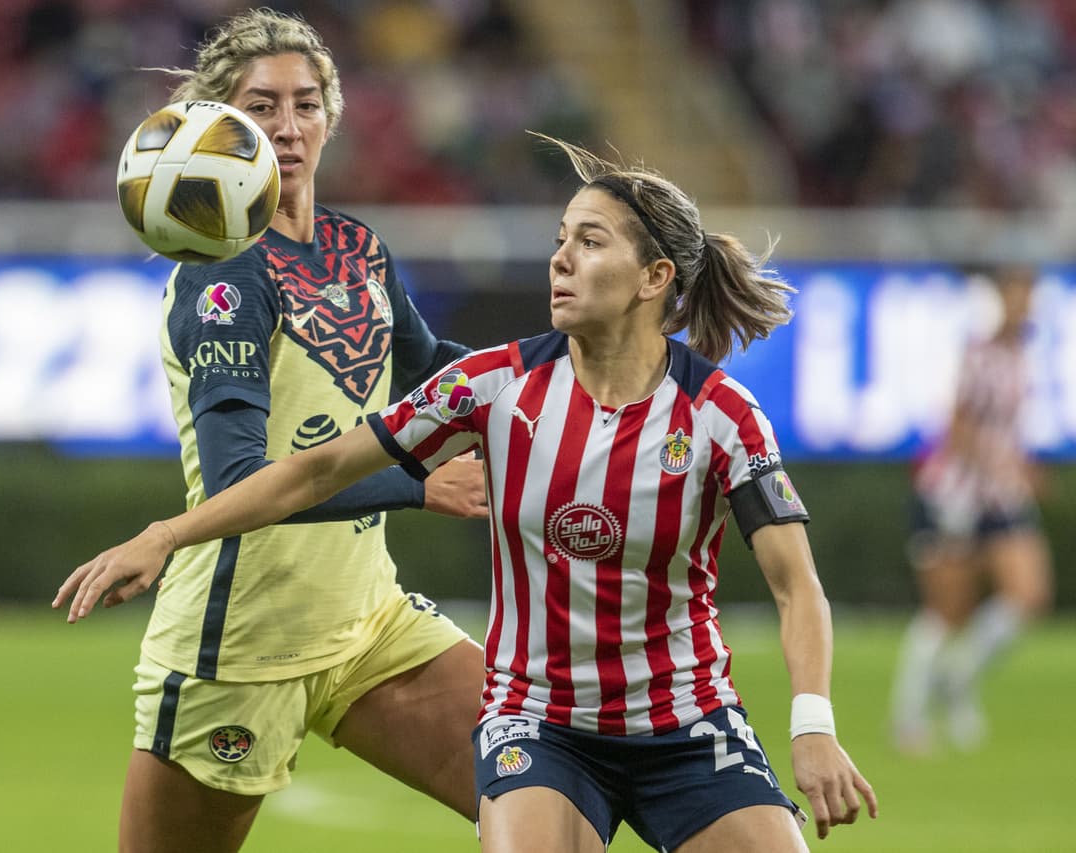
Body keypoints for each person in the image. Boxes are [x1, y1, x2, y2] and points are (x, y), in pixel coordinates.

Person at [58, 136, 879, 851]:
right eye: (561, 239)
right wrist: (167, 532)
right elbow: (310, 471)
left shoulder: (723, 415)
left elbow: (794, 584)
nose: (560, 258)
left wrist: (813, 724)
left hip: (687, 723)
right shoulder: (489, 389)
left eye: (590, 242)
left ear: (653, 277)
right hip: (539, 723)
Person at [53, 9, 492, 852]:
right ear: (221, 126)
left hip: (372, 623)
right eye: (262, 108)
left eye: (307, 103)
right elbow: (234, 478)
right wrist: (417, 483)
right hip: (239, 645)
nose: (288, 129)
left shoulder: (359, 249)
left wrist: (571, 363)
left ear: (333, 113)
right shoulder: (222, 279)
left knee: (551, 808)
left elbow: (435, 369)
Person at [890, 265, 1053, 754]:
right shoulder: (976, 353)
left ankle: (959, 677)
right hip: (956, 495)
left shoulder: (1021, 355)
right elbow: (957, 423)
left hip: (1001, 494)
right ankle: (910, 715)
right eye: (1016, 293)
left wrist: (1022, 468)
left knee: (1029, 593)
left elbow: (1007, 427)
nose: (1023, 304)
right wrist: (997, 465)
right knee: (947, 609)